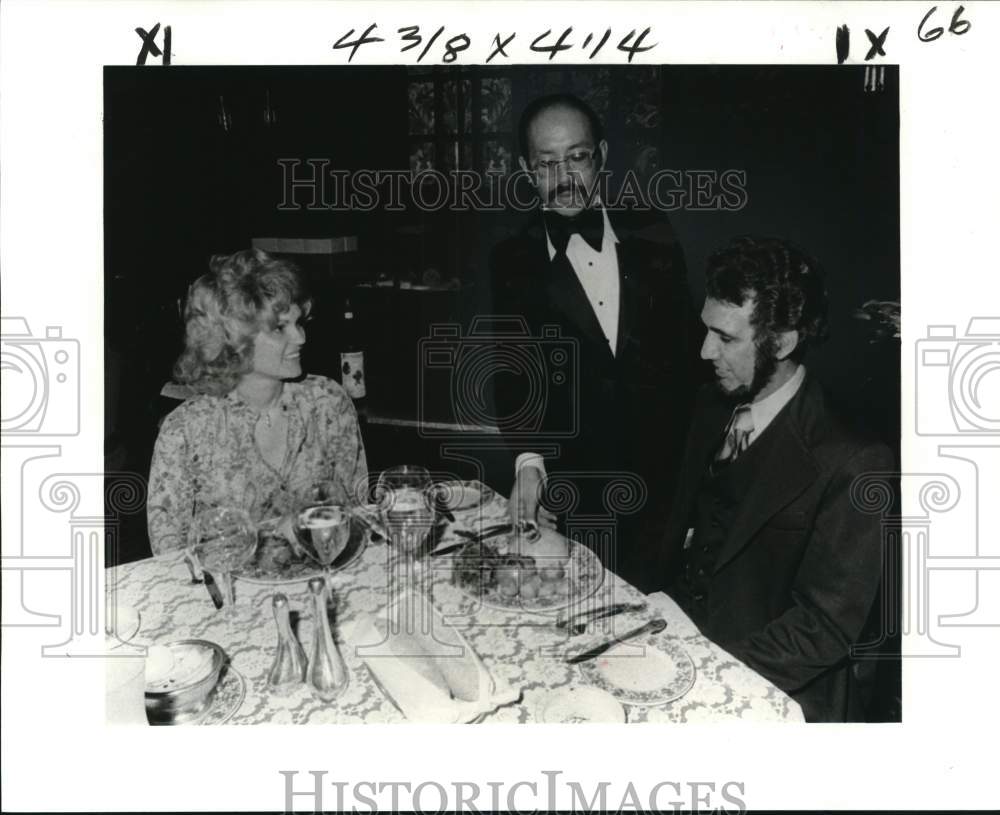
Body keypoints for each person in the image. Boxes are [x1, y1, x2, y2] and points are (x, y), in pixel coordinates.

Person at [654, 236, 892, 722]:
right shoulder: (709, 406)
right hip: (679, 645)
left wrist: (704, 670)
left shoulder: (856, 459)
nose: (705, 351)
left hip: (773, 692)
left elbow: (824, 627)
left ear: (782, 340)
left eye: (726, 337)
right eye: (707, 331)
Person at [489, 93, 699, 589]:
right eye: (546, 163)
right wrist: (530, 463)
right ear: (525, 168)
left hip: (666, 489)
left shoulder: (655, 230)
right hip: (575, 495)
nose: (563, 177)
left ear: (601, 155)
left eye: (577, 157)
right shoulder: (509, 260)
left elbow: (691, 361)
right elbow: (512, 377)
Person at [147, 249, 368, 555]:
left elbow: (355, 515)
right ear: (232, 338)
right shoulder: (184, 432)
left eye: (299, 322)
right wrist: (268, 536)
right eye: (280, 328)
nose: (300, 337)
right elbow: (169, 555)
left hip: (321, 580)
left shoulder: (327, 402)